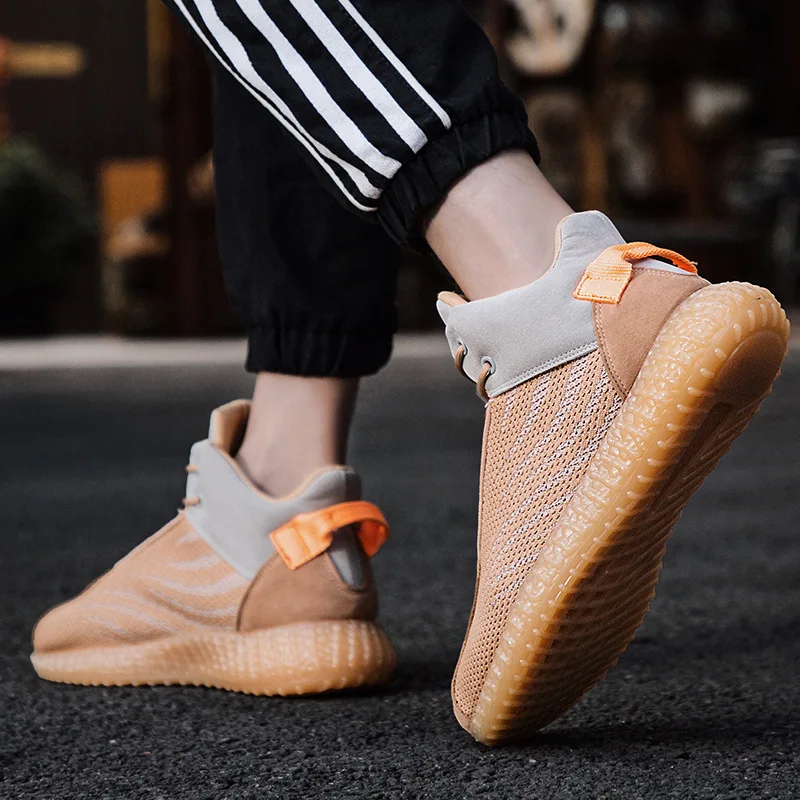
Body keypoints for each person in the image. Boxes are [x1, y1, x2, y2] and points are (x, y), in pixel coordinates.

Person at [29, 0, 789, 746]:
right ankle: (276, 498)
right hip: (287, 499)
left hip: (575, 301)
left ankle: (549, 295)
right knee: (260, 47)